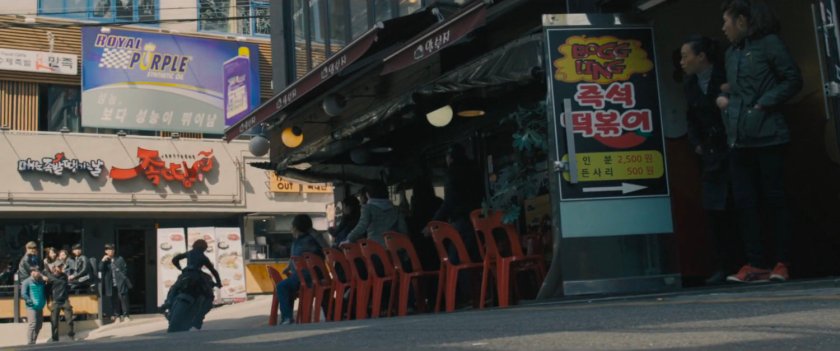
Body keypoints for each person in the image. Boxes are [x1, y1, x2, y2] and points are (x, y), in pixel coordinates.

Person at [717, 0, 802, 282]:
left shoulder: (770, 44)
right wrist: (727, 99)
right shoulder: (731, 53)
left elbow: (792, 79)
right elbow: (739, 90)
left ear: (742, 21)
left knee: (775, 199)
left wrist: (763, 104)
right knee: (745, 203)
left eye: (726, 21)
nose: (723, 28)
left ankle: (783, 261)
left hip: (769, 136)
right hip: (738, 138)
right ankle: (756, 262)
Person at [680, 35, 736, 284]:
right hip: (709, 152)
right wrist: (696, 143)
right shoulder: (690, 83)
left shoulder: (725, 75)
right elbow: (691, 117)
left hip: (732, 146)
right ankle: (724, 264)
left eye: (685, 56)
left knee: (740, 205)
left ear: (701, 56)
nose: (682, 62)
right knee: (715, 211)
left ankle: (750, 261)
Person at [276, 214, 327, 325]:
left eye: (292, 226)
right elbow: (325, 248)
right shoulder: (314, 239)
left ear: (296, 227)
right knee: (288, 286)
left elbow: (295, 257)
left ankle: (287, 317)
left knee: (282, 286)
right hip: (319, 275)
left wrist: (289, 267)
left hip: (304, 276)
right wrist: (289, 267)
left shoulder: (299, 242)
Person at [163, 239, 222, 331]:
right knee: (209, 296)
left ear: (194, 246)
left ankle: (168, 302)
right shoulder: (203, 257)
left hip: (186, 274)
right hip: (197, 276)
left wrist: (180, 268)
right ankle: (198, 319)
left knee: (174, 288)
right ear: (204, 248)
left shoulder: (189, 253)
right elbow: (213, 271)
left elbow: (175, 259)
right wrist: (219, 282)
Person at [343, 183, 409, 246]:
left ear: (367, 195)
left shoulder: (367, 208)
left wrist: (349, 239)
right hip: (394, 247)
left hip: (375, 248)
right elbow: (403, 230)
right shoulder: (396, 209)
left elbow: (362, 226)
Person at [99, 244, 133, 322]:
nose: (111, 251)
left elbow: (125, 270)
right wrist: (102, 260)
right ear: (106, 251)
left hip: (120, 282)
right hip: (111, 284)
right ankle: (117, 316)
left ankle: (126, 316)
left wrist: (122, 280)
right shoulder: (105, 261)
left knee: (123, 299)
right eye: (109, 250)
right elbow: (100, 269)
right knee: (114, 300)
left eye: (112, 250)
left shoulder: (120, 259)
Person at [45, 264, 75, 342]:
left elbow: (66, 287)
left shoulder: (64, 276)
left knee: (69, 319)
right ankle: (55, 338)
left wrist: (67, 298)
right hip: (55, 301)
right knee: (54, 321)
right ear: (54, 268)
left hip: (64, 300)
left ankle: (71, 335)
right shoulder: (51, 278)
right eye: (59, 266)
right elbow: (47, 291)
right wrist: (48, 301)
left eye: (61, 266)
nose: (60, 268)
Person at [22, 266, 47, 345]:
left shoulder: (41, 281)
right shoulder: (26, 281)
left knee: (39, 325)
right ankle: (30, 342)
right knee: (32, 324)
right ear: (32, 272)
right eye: (36, 271)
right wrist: (30, 301)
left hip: (40, 306)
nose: (38, 273)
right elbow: (23, 293)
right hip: (31, 307)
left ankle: (34, 340)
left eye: (39, 271)